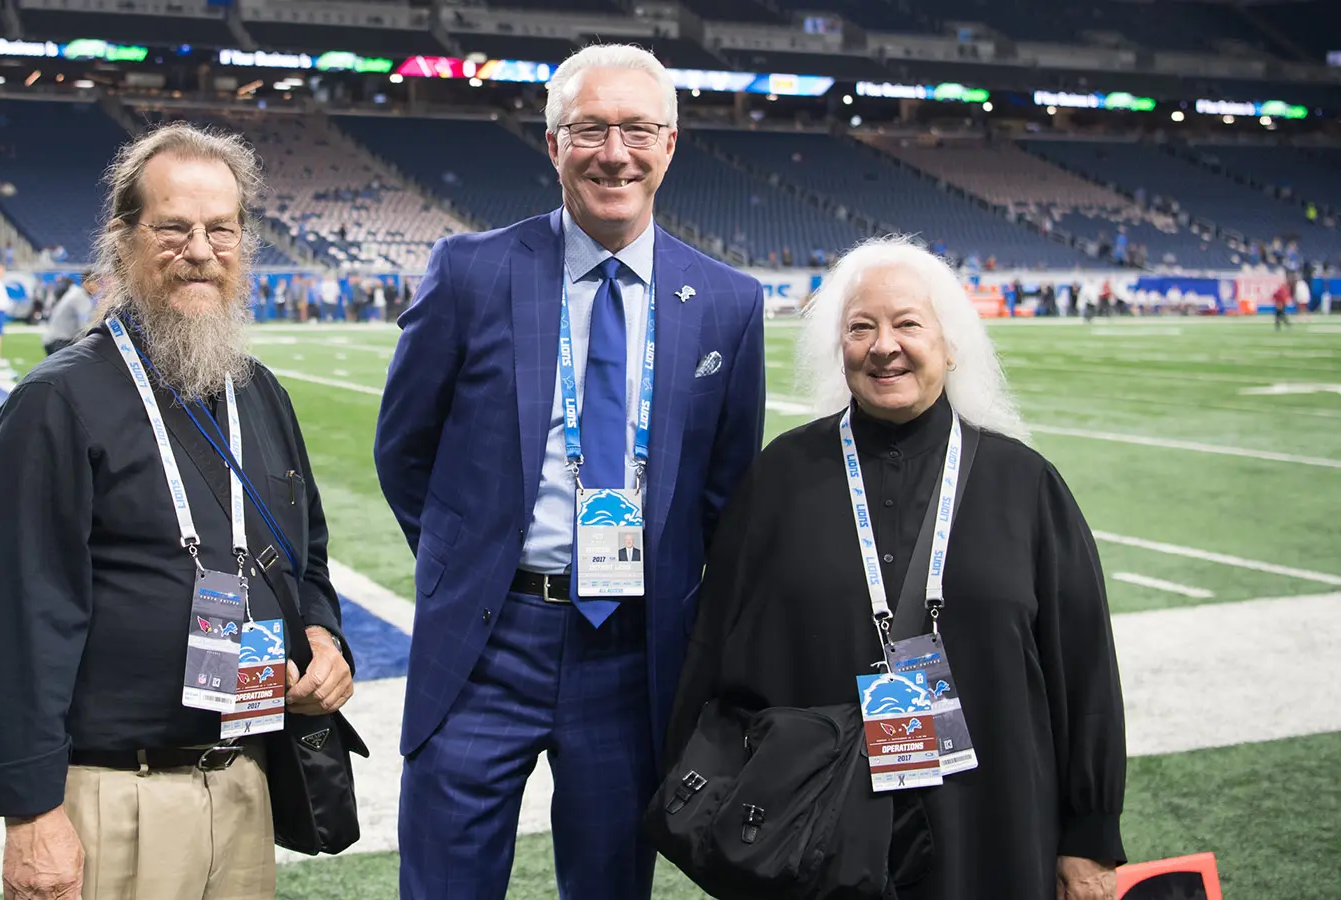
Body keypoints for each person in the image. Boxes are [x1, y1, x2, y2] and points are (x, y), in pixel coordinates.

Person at [375, 43, 767, 900]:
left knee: (610, 884)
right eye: (589, 129)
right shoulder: (471, 272)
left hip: (629, 650)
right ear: (553, 146)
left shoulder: (729, 304)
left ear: (670, 143)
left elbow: (725, 496)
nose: (613, 153)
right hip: (488, 636)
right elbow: (403, 449)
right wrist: (462, 565)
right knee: (445, 879)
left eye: (636, 129)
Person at [0, 123, 358, 900]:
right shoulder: (56, 402)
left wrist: (320, 633)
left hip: (244, 781)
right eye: (173, 228)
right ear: (124, 240)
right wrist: (29, 814)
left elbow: (304, 556)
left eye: (222, 230)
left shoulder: (259, 390)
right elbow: (18, 622)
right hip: (114, 794)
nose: (201, 250)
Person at [666, 236, 1125, 900]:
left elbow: (1083, 668)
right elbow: (713, 649)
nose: (884, 346)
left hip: (992, 821)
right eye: (862, 328)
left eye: (907, 323)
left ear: (949, 343)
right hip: (813, 836)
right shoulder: (781, 477)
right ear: (839, 347)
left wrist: (1090, 833)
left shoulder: (1023, 484)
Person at [42, 273, 94, 356]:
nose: (99, 288)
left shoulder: (75, 292)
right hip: (60, 341)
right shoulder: (81, 298)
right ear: (86, 283)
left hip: (53, 339)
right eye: (96, 283)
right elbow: (82, 326)